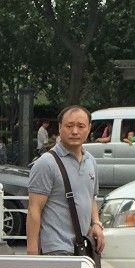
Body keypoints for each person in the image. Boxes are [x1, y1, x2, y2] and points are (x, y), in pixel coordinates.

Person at [26, 104, 105, 257]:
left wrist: (96, 223)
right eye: (69, 126)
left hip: (82, 247)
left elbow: (91, 197)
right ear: (60, 127)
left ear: (89, 128)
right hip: (55, 249)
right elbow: (34, 209)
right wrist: (32, 252)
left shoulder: (90, 161)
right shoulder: (46, 163)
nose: (75, 131)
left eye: (80, 126)